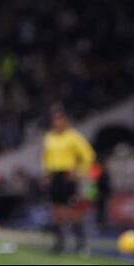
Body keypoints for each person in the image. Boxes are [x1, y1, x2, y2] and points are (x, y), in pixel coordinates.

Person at [41, 107, 95, 254]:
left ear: (66, 121)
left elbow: (88, 155)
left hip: (68, 175)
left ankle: (80, 244)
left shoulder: (73, 137)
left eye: (60, 119)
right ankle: (59, 243)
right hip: (54, 176)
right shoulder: (49, 137)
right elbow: (46, 157)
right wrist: (46, 173)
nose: (57, 123)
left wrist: (79, 172)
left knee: (73, 211)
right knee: (56, 210)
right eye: (55, 120)